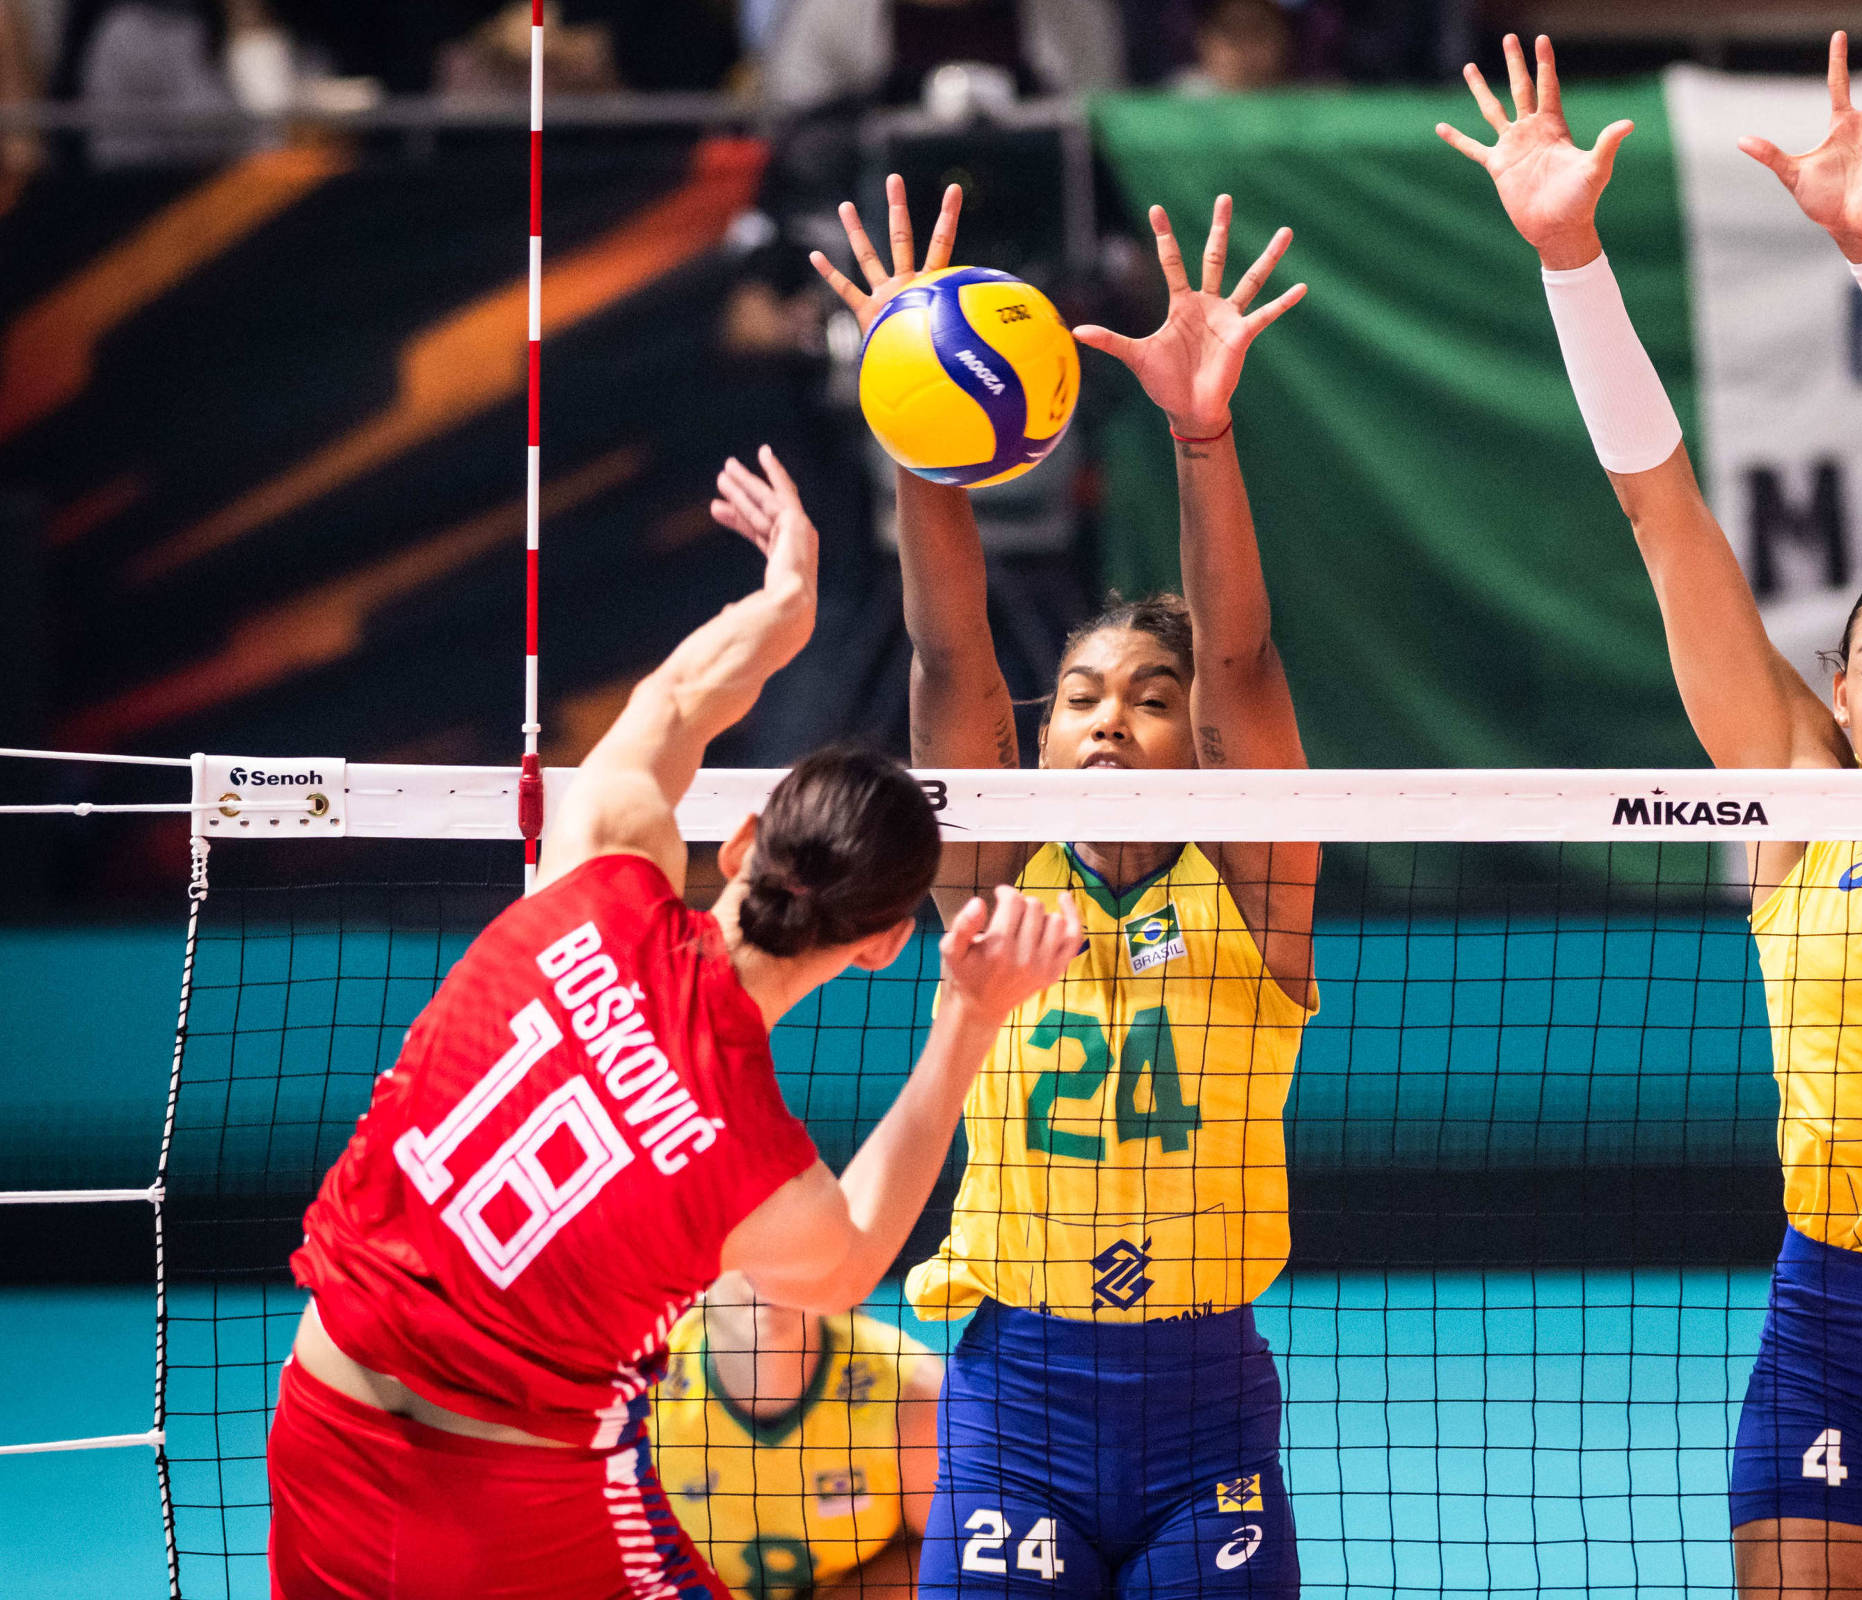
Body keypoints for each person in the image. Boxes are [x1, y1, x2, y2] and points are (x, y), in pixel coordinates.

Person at [1442, 30, 1862, 1600]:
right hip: (1837, 1340)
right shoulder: (1793, 799)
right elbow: (1660, 512)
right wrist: (1571, 263)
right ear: (1837, 690)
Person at [265, 445, 1082, 1600]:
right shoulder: (754, 1165)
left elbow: (678, 702)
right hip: (517, 1509)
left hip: (321, 1429)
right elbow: (846, 1260)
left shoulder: (593, 872)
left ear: (740, 840)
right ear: (886, 942)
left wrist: (782, 603)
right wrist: (967, 1015)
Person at [774, 173, 1316, 1597]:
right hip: (1017, 1395)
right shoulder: (991, 880)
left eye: (1149, 698)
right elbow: (953, 663)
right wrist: (917, 411)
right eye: (1079, 696)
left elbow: (1245, 670)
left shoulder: (1258, 888)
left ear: (1194, 744)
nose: (1108, 722)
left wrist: (1201, 434)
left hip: (1207, 1403)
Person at [652, 1271, 941, 1599]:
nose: (771, 1267)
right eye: (749, 1240)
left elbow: (949, 1557)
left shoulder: (911, 1392)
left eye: (791, 1240)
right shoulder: (635, 1387)